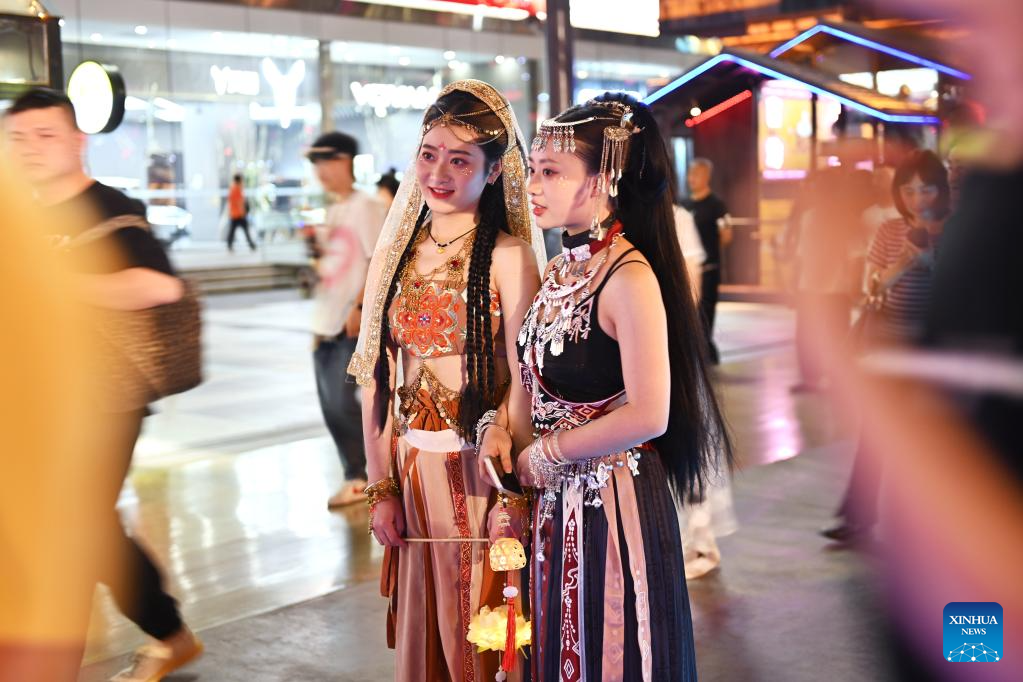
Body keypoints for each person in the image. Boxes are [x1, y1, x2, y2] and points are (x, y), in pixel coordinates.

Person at [484, 92, 732, 679]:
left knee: (614, 649)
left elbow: (650, 413)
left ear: (602, 180)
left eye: (551, 172)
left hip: (612, 503)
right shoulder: (558, 269)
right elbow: (530, 377)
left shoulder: (629, 277)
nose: (533, 186)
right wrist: (501, 428)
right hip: (554, 501)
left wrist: (547, 453)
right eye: (533, 170)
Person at [3, 88, 203, 681]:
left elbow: (160, 286)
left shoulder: (109, 208)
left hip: (103, 399)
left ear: (76, 141)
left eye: (45, 135)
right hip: (32, 397)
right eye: (17, 138)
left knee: (72, 528)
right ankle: (168, 632)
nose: (30, 149)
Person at [347, 80, 544, 681]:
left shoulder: (510, 256)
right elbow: (376, 379)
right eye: (429, 154)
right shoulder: (396, 256)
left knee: (481, 629)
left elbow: (526, 378)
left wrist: (512, 494)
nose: (438, 172)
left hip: (482, 472)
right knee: (423, 626)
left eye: (460, 160)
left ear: (493, 171)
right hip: (410, 469)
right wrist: (379, 486)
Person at [822, 150, 951, 543]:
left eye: (926, 190)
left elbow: (968, 293)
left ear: (941, 190)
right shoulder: (889, 230)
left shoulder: (956, 231)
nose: (917, 199)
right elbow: (871, 287)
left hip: (936, 350)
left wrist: (934, 262)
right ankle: (858, 516)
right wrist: (907, 264)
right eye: (909, 191)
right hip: (890, 345)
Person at [306, 131, 387, 508]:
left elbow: (377, 261)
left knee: (343, 403)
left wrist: (358, 308)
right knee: (330, 406)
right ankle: (354, 475)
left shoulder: (366, 206)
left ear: (345, 161)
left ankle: (365, 476)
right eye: (316, 164)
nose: (320, 171)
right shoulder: (335, 209)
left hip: (348, 323)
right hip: (326, 323)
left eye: (326, 161)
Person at [682, 158, 731, 365]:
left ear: (707, 177)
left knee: (706, 311)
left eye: (697, 174)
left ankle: (705, 351)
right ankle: (694, 351)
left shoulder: (716, 205)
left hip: (708, 269)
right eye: (690, 174)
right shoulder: (683, 204)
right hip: (687, 269)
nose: (692, 178)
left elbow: (726, 235)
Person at [226, 173, 256, 252]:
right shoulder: (237, 189)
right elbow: (239, 202)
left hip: (234, 214)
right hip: (239, 215)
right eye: (242, 180)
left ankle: (230, 245)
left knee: (233, 231)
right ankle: (251, 245)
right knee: (244, 230)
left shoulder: (232, 189)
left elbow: (231, 202)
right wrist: (243, 212)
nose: (243, 182)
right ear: (239, 180)